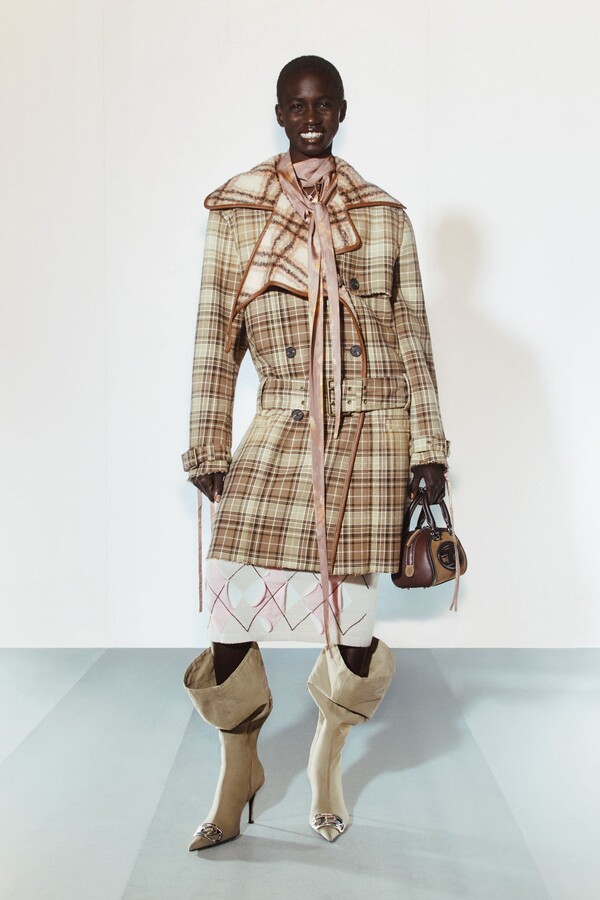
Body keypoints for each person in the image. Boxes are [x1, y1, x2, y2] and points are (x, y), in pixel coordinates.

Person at [181, 55, 450, 850]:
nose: (310, 118)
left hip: (374, 426)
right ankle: (238, 771)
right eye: (297, 105)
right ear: (278, 112)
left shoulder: (383, 214)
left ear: (341, 111)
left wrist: (428, 446)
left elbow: (412, 333)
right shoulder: (238, 211)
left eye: (323, 105)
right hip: (284, 416)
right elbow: (215, 332)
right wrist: (208, 440)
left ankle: (327, 758)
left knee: (352, 616)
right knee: (230, 601)